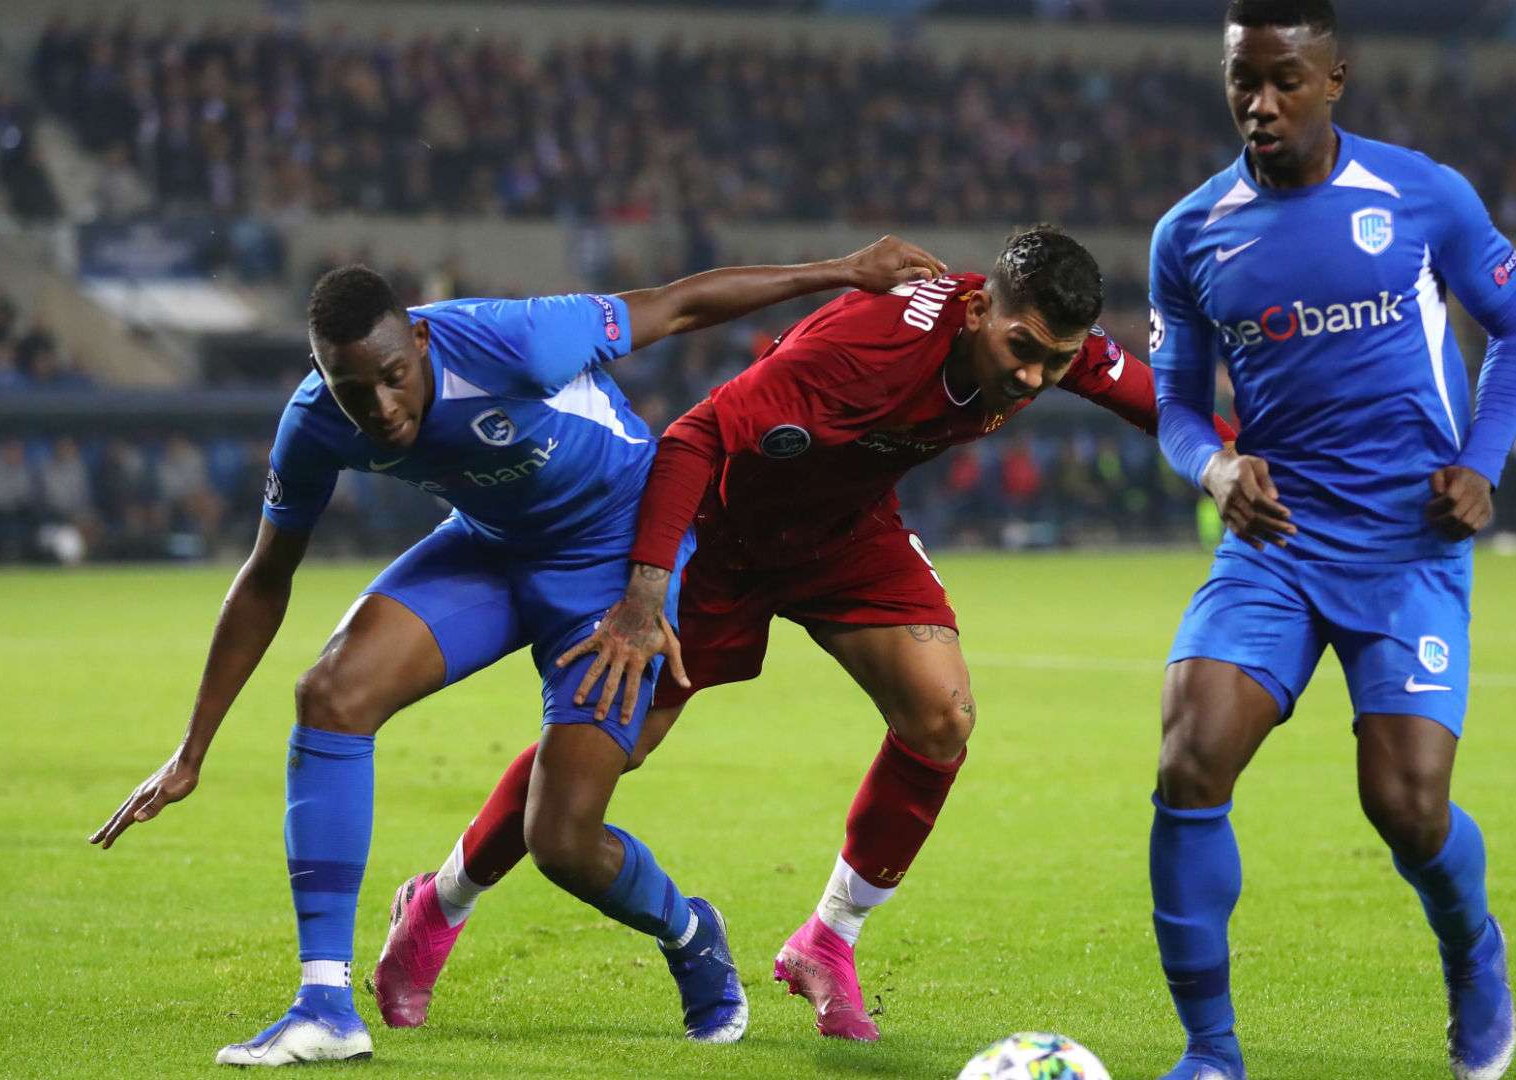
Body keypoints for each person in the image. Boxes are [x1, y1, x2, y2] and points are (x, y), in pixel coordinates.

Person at [85, 236, 946, 1067]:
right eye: (355, 393)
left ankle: (691, 932)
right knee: (331, 695)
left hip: (614, 560)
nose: (383, 408)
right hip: (492, 547)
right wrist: (191, 750)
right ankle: (323, 1004)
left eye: (394, 378)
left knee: (562, 840)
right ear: (321, 379)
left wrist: (846, 271)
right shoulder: (315, 423)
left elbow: (679, 306)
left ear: (419, 340)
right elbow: (266, 578)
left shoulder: (515, 340)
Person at [368, 225, 1236, 1043]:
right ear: (978, 311)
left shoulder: (1044, 338)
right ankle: (440, 903)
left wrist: (1233, 467)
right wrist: (645, 592)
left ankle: (828, 938)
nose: (1034, 379)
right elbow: (694, 436)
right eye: (1022, 351)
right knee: (600, 743)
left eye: (1055, 361)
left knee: (942, 715)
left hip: (845, 530)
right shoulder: (867, 349)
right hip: (723, 536)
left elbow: (1160, 402)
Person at [1145, 3, 1516, 1078]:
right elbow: (1178, 405)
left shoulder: (1421, 194)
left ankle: (1472, 950)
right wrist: (1218, 466)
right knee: (1190, 758)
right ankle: (1212, 1054)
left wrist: (1484, 459)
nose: (1259, 104)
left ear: (1335, 80)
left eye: (1283, 80)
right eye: (1242, 80)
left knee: (1407, 807)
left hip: (1409, 542)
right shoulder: (1189, 234)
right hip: (1275, 541)